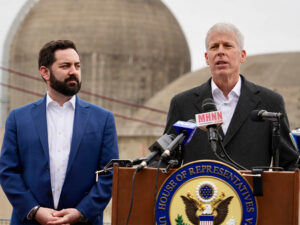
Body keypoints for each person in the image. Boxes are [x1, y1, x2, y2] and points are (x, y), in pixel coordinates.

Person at [0, 40, 119, 225]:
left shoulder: (103, 120)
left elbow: (110, 175)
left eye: (77, 66)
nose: (74, 71)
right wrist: (34, 210)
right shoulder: (18, 118)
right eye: (65, 66)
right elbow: (8, 172)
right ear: (45, 72)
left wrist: (81, 212)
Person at [164, 23, 298, 170]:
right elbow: (167, 159)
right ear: (206, 58)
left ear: (242, 55)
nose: (220, 52)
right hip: (201, 191)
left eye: (228, 46)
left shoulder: (270, 102)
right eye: (214, 47)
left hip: (253, 193)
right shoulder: (183, 104)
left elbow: (288, 164)